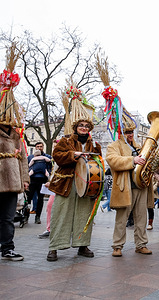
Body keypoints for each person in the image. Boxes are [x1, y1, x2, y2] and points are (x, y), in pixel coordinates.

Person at [47, 84, 101, 261]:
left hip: (87, 185)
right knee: (61, 215)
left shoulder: (95, 145)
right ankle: (54, 247)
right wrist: (73, 155)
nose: (84, 128)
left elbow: (99, 163)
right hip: (66, 183)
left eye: (86, 126)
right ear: (76, 126)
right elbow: (57, 156)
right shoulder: (66, 140)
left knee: (83, 216)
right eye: (81, 125)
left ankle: (82, 245)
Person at [106, 119, 153, 257]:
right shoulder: (114, 146)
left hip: (141, 186)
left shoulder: (139, 146)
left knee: (141, 217)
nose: (130, 134)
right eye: (127, 132)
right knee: (122, 218)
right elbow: (113, 160)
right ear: (120, 133)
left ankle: (141, 244)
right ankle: (117, 246)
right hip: (125, 187)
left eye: (131, 132)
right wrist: (132, 160)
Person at [0, 44, 29, 261]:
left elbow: (23, 159)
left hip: (13, 182)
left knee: (8, 218)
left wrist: (25, 180)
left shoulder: (17, 135)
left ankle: (7, 247)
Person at [26, 142, 52, 224]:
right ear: (35, 147)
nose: (39, 148)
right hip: (32, 180)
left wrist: (48, 176)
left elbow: (50, 167)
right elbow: (27, 166)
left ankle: (38, 217)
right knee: (28, 198)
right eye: (37, 146)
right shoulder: (30, 157)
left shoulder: (47, 157)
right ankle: (25, 216)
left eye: (41, 146)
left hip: (42, 180)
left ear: (43, 147)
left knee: (40, 199)